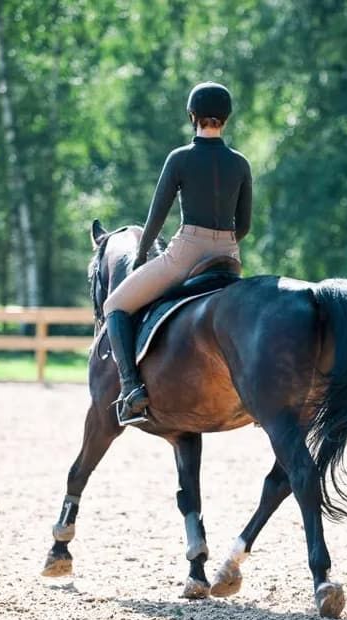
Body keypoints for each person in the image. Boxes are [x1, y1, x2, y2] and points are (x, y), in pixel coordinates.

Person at [101, 81, 252, 416]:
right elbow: (244, 225)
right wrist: (222, 244)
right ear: (226, 118)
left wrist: (141, 255)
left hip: (186, 253)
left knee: (115, 305)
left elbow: (156, 218)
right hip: (228, 254)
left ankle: (131, 389)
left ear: (191, 116)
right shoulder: (240, 163)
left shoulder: (180, 158)